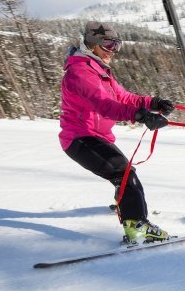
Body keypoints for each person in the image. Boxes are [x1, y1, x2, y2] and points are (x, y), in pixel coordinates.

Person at [59, 21, 175, 245]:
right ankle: (136, 225)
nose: (113, 50)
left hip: (95, 137)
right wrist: (141, 116)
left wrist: (152, 103)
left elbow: (124, 98)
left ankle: (128, 208)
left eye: (116, 45)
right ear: (92, 45)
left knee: (123, 173)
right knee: (124, 174)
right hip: (79, 139)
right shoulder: (80, 72)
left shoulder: (99, 69)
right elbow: (104, 105)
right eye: (108, 45)